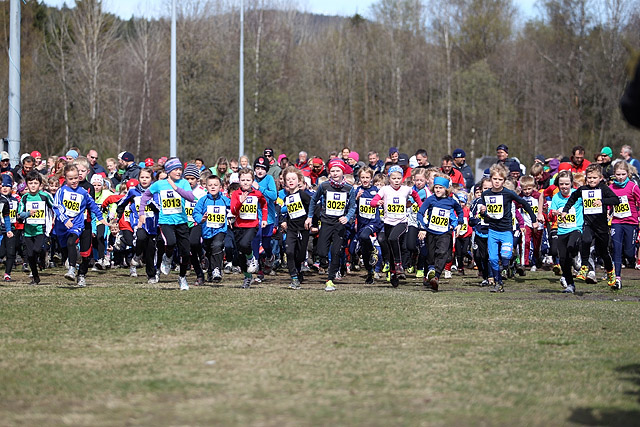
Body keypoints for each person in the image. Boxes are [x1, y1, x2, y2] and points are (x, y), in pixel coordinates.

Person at [477, 164, 537, 293]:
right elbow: (484, 214)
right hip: (492, 231)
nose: (497, 182)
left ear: (504, 181)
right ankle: (498, 283)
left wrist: (534, 220)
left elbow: (525, 203)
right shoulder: (486, 194)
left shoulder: (508, 193)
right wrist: (483, 211)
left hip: (506, 231)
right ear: (491, 179)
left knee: (506, 255)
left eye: (500, 180)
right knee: (492, 259)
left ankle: (507, 266)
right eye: (495, 179)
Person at [560, 164, 620, 287]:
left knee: (604, 253)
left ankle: (610, 271)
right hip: (588, 223)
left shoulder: (603, 189)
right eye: (589, 178)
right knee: (585, 240)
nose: (591, 180)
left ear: (600, 178)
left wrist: (602, 201)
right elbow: (572, 198)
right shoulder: (583, 190)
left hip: (601, 226)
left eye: (594, 178)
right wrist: (565, 210)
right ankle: (584, 267)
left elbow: (616, 200)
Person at [140, 157, 194, 290]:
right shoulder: (159, 184)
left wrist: (176, 188)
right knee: (170, 242)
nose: (179, 172)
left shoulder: (184, 183)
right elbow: (146, 196)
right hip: (166, 221)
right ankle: (167, 257)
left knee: (186, 252)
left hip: (182, 221)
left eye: (180, 169)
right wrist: (141, 212)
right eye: (176, 169)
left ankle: (182, 277)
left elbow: (191, 197)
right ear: (169, 171)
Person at [305, 158, 357, 292]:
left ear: (342, 172)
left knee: (336, 252)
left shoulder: (349, 188)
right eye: (332, 170)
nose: (335, 173)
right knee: (322, 252)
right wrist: (310, 216)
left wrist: (347, 217)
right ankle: (325, 264)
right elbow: (313, 200)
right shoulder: (324, 186)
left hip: (339, 225)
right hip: (326, 222)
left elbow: (352, 207)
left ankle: (330, 279)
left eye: (338, 170)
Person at [53, 164, 108, 287]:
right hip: (62, 225)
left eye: (76, 178)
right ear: (65, 179)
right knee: (65, 247)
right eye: (70, 179)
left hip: (78, 224)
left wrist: (101, 218)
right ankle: (71, 260)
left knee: (72, 243)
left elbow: (93, 205)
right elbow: (56, 206)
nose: (74, 181)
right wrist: (65, 219)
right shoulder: (62, 191)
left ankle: (73, 271)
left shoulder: (84, 192)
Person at [370, 165, 423, 287]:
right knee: (390, 248)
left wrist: (420, 206)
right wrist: (377, 202)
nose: (396, 181)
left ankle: (399, 264)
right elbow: (373, 201)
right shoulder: (384, 189)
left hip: (402, 222)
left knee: (393, 239)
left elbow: (415, 195)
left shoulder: (406, 189)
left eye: (399, 178)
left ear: (402, 179)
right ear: (389, 178)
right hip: (388, 222)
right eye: (394, 178)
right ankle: (394, 273)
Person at [417, 176, 463, 291]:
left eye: (440, 188)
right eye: (436, 187)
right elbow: (420, 213)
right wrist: (422, 227)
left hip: (445, 233)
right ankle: (429, 275)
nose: (438, 190)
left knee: (441, 252)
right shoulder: (430, 199)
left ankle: (436, 277)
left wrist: (459, 223)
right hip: (431, 232)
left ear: (446, 189)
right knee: (431, 256)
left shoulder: (452, 201)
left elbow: (460, 211)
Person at [230, 168, 268, 289]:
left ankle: (252, 259)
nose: (245, 182)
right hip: (238, 226)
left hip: (252, 225)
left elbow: (264, 204)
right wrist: (240, 202)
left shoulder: (257, 193)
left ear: (253, 181)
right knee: (240, 253)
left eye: (248, 180)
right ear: (239, 181)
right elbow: (233, 211)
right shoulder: (236, 194)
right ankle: (247, 277)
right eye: (243, 180)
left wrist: (265, 219)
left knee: (245, 244)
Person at [548, 171, 584, 294]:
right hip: (562, 230)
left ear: (571, 184)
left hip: (575, 228)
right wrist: (553, 213)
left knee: (571, 246)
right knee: (563, 259)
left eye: (566, 184)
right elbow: (550, 214)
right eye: (561, 184)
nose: (564, 187)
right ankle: (570, 284)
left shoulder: (577, 195)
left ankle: (576, 256)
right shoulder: (556, 197)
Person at [18, 171, 55, 285]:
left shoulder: (45, 196)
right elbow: (19, 215)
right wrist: (28, 213)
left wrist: (55, 218)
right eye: (30, 183)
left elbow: (54, 207)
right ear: (27, 185)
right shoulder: (24, 198)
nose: (33, 185)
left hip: (41, 229)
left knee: (37, 250)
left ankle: (43, 257)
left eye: (35, 183)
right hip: (28, 231)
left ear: (40, 185)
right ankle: (35, 277)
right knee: (30, 255)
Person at [193, 174, 231, 283]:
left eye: (215, 185)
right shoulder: (203, 200)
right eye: (210, 185)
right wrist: (201, 219)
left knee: (217, 245)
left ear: (220, 187)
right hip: (206, 231)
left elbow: (233, 209)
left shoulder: (225, 200)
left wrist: (231, 217)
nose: (213, 187)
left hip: (220, 229)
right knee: (209, 251)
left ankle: (217, 270)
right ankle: (210, 272)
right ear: (206, 187)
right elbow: (196, 212)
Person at [608, 161, 640, 289]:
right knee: (616, 248)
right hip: (616, 222)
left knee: (629, 252)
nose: (620, 177)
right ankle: (617, 278)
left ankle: (632, 260)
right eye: (618, 174)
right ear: (614, 175)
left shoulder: (633, 187)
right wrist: (607, 212)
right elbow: (608, 203)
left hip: (631, 222)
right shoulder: (611, 188)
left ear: (628, 174)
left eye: (623, 174)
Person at [281, 166, 312, 289]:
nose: (291, 181)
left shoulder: (303, 195)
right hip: (292, 229)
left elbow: (313, 207)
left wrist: (310, 219)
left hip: (303, 229)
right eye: (288, 179)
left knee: (299, 255)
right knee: (289, 251)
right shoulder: (286, 198)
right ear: (285, 182)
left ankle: (299, 272)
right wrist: (284, 222)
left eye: (293, 178)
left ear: (299, 180)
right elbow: (287, 213)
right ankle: (293, 277)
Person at [354, 166, 383, 285]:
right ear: (359, 178)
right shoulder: (357, 191)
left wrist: (380, 202)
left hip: (374, 222)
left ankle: (373, 250)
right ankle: (369, 273)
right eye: (362, 177)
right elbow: (352, 208)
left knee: (365, 236)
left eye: (367, 177)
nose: (365, 180)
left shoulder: (376, 190)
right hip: (362, 223)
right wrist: (356, 199)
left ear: (371, 178)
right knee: (363, 252)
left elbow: (383, 202)